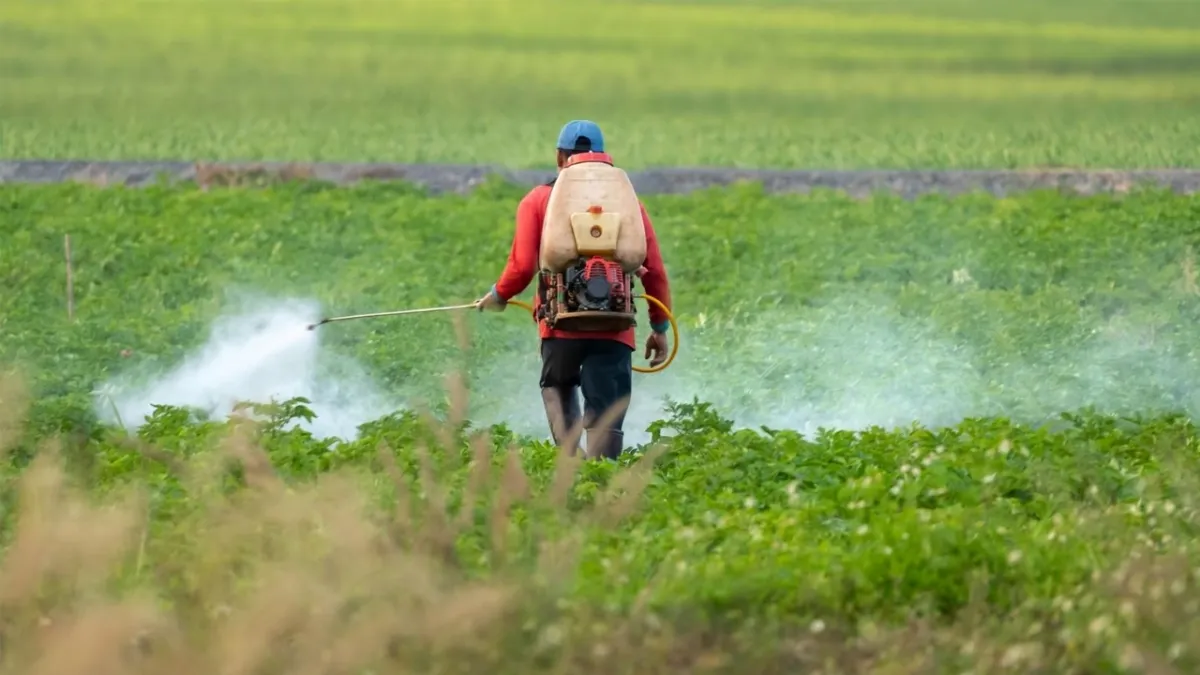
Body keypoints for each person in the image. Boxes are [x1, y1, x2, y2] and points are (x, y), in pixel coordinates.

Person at [475, 120, 674, 460]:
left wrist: (499, 296)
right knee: (607, 408)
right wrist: (659, 328)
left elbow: (522, 266)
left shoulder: (537, 200)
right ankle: (603, 476)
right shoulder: (628, 205)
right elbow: (652, 269)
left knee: (558, 385)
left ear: (559, 157)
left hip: (559, 324)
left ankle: (571, 465)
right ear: (603, 159)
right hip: (614, 325)